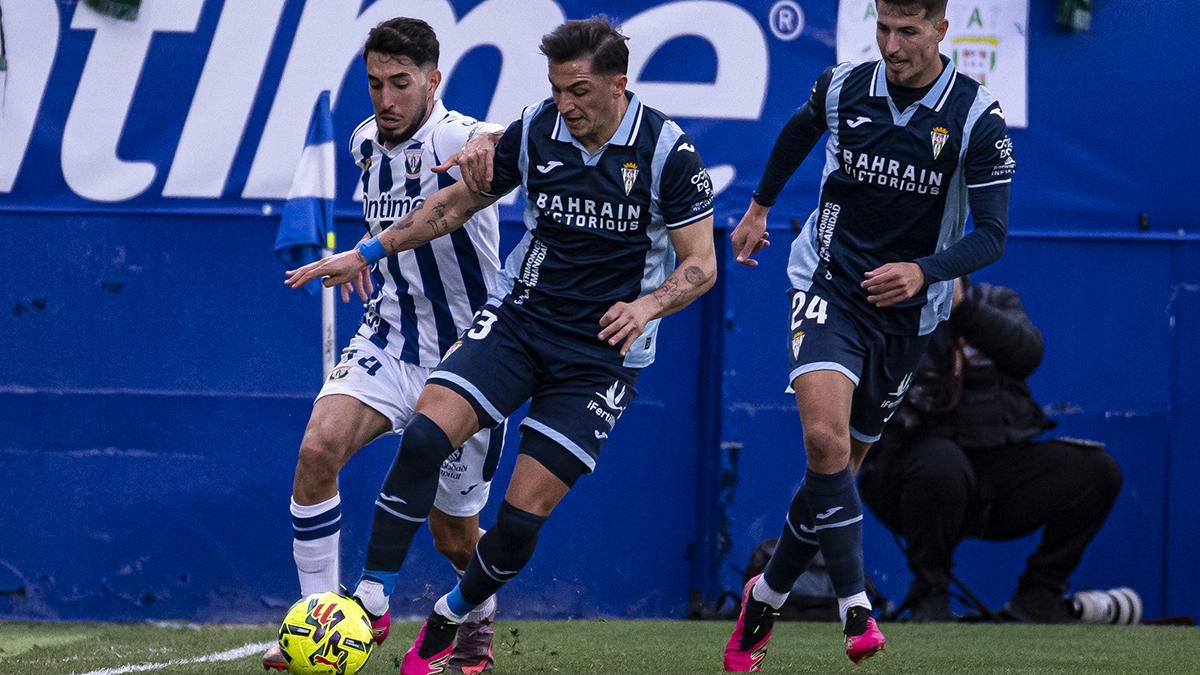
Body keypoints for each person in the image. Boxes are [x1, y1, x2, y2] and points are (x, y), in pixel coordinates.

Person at [286, 15, 717, 675]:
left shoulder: (666, 151)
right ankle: (367, 599)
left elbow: (701, 266)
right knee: (424, 436)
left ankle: (454, 613)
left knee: (516, 522)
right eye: (555, 88)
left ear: (618, 84)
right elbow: (456, 202)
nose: (564, 104)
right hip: (519, 320)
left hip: (602, 353)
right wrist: (366, 250)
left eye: (577, 90)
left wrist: (649, 304)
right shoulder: (540, 126)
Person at [722, 0, 1017, 669]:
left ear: (942, 30)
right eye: (882, 29)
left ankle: (764, 597)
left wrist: (923, 270)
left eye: (907, 31)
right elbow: (798, 130)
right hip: (827, 286)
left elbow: (993, 237)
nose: (892, 44)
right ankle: (854, 606)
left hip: (908, 318)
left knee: (838, 470)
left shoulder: (975, 116)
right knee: (823, 439)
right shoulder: (844, 87)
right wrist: (759, 207)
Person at [264, 17, 507, 674]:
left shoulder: (458, 134)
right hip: (390, 336)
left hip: (470, 356)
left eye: (401, 83)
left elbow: (497, 140)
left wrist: (491, 146)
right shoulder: (364, 142)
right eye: (374, 83)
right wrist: (374, 259)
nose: (386, 98)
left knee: (453, 533)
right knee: (318, 448)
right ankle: (320, 619)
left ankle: (476, 614)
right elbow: (391, 214)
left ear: (433, 80)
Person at [858, 277, 1122, 623]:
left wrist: (962, 308)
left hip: (998, 468)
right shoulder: (890, 310)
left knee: (1096, 472)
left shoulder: (997, 300)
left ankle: (1039, 592)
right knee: (942, 465)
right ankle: (930, 593)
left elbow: (1028, 353)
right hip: (912, 474)